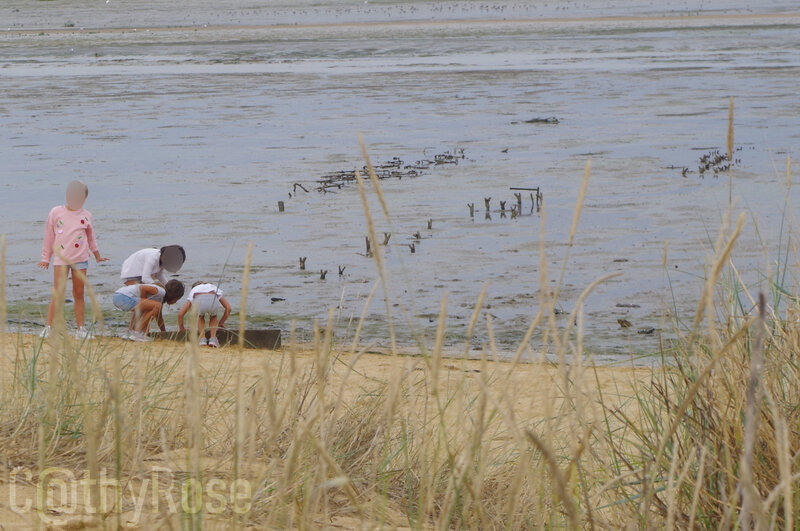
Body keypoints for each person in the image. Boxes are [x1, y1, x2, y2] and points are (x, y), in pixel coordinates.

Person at [37, 180, 109, 339]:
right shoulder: (56, 212)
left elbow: (91, 238)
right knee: (58, 293)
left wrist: (97, 255)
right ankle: (49, 327)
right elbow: (49, 236)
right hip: (61, 259)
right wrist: (45, 258)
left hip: (81, 259)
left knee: (79, 293)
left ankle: (80, 329)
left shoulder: (87, 215)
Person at [112, 279, 185, 341]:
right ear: (175, 297)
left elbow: (159, 317)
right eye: (177, 299)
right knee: (148, 307)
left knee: (142, 309)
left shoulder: (159, 299)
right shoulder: (161, 292)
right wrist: (144, 300)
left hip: (118, 296)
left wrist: (164, 332)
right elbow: (143, 288)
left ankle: (130, 332)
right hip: (123, 297)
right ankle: (138, 332)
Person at [177, 282, 231, 347]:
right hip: (213, 297)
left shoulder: (194, 290)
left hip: (199, 300)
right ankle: (213, 339)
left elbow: (181, 314)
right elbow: (228, 308)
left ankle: (203, 339)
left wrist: (182, 328)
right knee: (213, 317)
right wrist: (221, 323)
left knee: (200, 316)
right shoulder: (212, 287)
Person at [120, 245, 186, 286]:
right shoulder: (152, 257)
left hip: (141, 276)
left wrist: (167, 286)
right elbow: (145, 278)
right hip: (131, 274)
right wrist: (158, 287)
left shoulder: (163, 260)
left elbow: (159, 275)